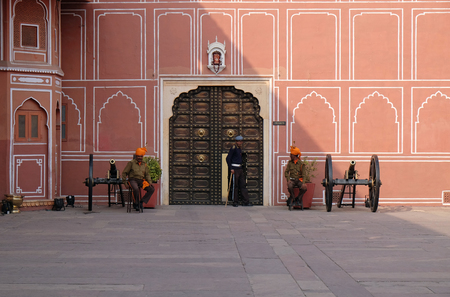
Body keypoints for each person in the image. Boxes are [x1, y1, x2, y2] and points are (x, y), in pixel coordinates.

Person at [122, 147, 155, 211]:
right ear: (136, 156)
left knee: (151, 189)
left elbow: (147, 174)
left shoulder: (144, 164)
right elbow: (124, 173)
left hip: (141, 180)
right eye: (138, 156)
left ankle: (141, 202)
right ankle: (136, 204)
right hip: (133, 180)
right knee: (136, 189)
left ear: (142, 156)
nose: (139, 158)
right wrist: (125, 183)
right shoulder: (131, 163)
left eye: (141, 156)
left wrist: (150, 182)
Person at [226, 135, 253, 207]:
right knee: (235, 186)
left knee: (243, 185)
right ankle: (235, 202)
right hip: (235, 168)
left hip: (240, 169)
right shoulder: (233, 148)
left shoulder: (239, 149)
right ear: (236, 141)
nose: (240, 142)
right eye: (238, 141)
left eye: (241, 141)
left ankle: (246, 202)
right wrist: (231, 168)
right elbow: (228, 158)